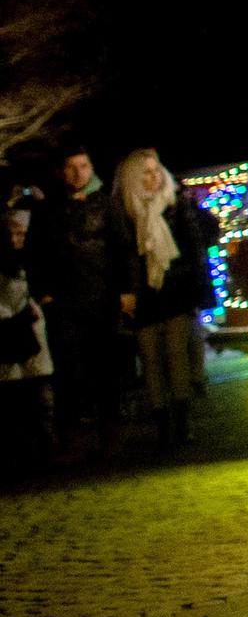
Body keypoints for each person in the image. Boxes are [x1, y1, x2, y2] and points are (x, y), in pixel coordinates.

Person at [24, 147, 134, 461]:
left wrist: (127, 291)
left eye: (83, 166)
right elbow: (35, 254)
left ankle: (109, 437)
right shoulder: (48, 211)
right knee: (70, 374)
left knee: (107, 370)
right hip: (65, 302)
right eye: (71, 167)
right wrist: (43, 293)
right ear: (61, 171)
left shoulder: (107, 205)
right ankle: (73, 440)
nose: (78, 173)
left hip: (103, 297)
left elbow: (124, 249)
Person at [114, 149, 217, 449]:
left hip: (177, 291)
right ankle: (162, 423)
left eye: (156, 170)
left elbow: (199, 245)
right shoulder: (123, 211)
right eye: (145, 172)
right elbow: (122, 256)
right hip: (144, 296)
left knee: (176, 355)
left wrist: (197, 290)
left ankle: (182, 422)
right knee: (151, 359)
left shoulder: (176, 205)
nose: (152, 177)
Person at [2, 205, 57, 466]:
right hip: (8, 334)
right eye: (10, 234)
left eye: (21, 235)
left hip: (32, 333)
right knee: (13, 395)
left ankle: (44, 444)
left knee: (39, 390)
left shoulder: (36, 262)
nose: (15, 240)